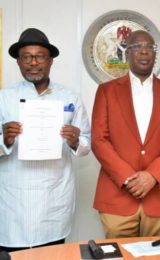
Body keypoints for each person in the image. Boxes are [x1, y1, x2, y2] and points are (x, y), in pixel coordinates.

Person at [91, 30, 160, 238]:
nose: (144, 51)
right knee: (118, 255)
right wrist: (128, 178)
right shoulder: (106, 91)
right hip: (118, 196)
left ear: (155, 54)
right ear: (126, 53)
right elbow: (99, 140)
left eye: (149, 47)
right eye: (137, 47)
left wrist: (152, 175)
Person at [0, 28, 91, 252]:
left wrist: (74, 142)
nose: (33, 62)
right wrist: (5, 139)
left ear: (50, 61)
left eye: (40, 56)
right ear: (18, 62)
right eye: (26, 57)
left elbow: (87, 143)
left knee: (51, 253)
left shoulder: (70, 98)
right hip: (13, 202)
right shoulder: (3, 97)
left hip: (54, 200)